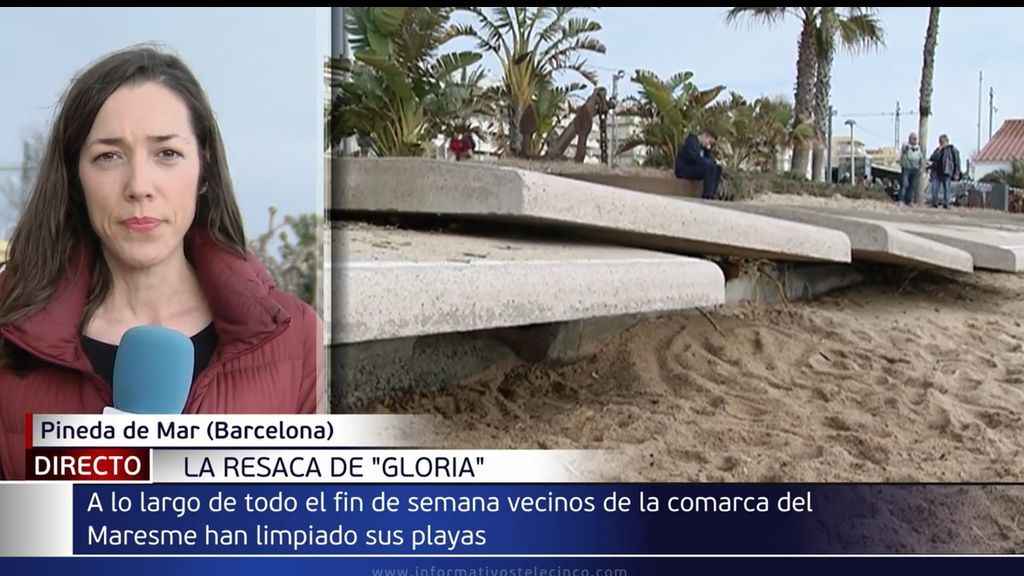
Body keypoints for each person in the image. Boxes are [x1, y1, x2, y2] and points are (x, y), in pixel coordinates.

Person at [0, 45, 324, 480]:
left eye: (167, 153)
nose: (139, 186)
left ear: (204, 170)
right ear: (75, 179)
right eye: (108, 156)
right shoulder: (9, 333)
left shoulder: (295, 341)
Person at [675, 129, 722, 200]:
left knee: (718, 168)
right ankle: (707, 196)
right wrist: (707, 162)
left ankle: (712, 194)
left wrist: (708, 151)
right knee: (709, 166)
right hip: (684, 169)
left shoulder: (703, 148)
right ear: (705, 136)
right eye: (709, 142)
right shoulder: (692, 141)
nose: (709, 145)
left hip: (695, 168)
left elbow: (710, 161)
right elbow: (693, 157)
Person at [927, 134, 961, 208]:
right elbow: (932, 158)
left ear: (947, 141)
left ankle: (946, 203)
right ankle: (934, 203)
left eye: (942, 141)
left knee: (947, 189)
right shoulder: (938, 150)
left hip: (947, 172)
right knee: (934, 188)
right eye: (940, 141)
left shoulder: (952, 150)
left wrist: (956, 173)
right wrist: (938, 151)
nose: (941, 143)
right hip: (937, 172)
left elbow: (957, 162)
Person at [899, 132, 924, 205]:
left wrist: (921, 167)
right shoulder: (906, 145)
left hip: (915, 169)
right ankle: (901, 200)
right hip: (906, 168)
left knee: (912, 186)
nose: (915, 140)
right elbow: (904, 150)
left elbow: (921, 158)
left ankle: (909, 201)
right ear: (910, 139)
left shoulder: (919, 148)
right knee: (904, 184)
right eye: (913, 138)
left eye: (916, 139)